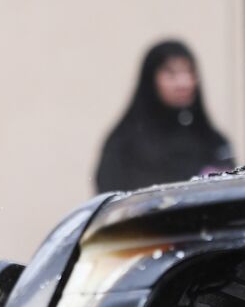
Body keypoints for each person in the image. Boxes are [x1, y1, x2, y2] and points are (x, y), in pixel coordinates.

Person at [94, 39, 234, 192]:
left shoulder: (212, 141)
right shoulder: (125, 144)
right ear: (151, 80)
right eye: (171, 74)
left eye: (189, 72)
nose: (183, 83)